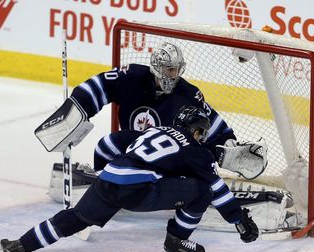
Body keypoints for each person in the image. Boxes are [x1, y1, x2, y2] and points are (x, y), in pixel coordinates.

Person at [0, 106, 259, 252]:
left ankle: (20, 244)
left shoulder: (153, 131)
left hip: (108, 180)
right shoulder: (195, 150)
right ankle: (175, 242)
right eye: (201, 131)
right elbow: (217, 189)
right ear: (195, 130)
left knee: (76, 217)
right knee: (201, 190)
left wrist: (99, 168)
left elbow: (111, 142)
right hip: (138, 191)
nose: (202, 136)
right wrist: (239, 220)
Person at [39, 41, 268, 203]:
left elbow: (212, 126)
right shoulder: (132, 78)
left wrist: (227, 147)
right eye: (170, 69)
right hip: (136, 150)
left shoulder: (187, 94)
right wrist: (76, 111)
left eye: (177, 69)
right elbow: (98, 86)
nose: (174, 74)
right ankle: (105, 189)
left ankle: (177, 194)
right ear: (157, 67)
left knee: (193, 173)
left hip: (169, 160)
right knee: (107, 145)